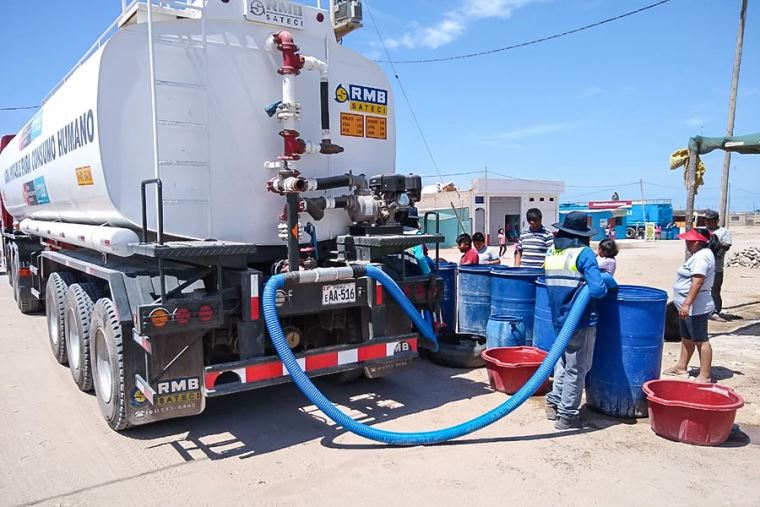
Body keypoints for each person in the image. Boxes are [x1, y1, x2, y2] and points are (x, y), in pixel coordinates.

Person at [544, 212, 616, 430]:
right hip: (580, 320)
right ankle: (567, 415)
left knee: (564, 363)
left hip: (559, 318)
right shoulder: (583, 254)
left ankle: (554, 403)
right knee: (578, 367)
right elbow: (598, 289)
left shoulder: (552, 251)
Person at [664, 227, 719, 383]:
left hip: (695, 306)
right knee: (687, 337)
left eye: (688, 241)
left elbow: (697, 282)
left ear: (696, 242)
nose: (686, 243)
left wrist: (687, 304)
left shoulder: (701, 257)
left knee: (700, 339)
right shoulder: (699, 255)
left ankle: (705, 375)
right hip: (687, 304)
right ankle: (682, 366)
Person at [704, 209, 732, 320]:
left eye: (709, 220)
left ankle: (715, 311)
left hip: (717, 266)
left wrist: (716, 241)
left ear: (716, 220)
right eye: (705, 219)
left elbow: (727, 246)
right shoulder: (703, 231)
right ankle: (704, 311)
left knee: (715, 290)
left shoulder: (724, 232)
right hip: (704, 266)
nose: (707, 222)